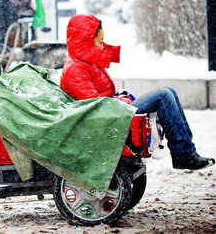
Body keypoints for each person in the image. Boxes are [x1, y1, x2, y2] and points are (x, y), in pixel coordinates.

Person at [60, 14, 215, 170]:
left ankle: (185, 151)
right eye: (98, 38)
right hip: (109, 117)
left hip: (112, 111)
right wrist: (122, 101)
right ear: (85, 40)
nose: (103, 40)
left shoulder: (85, 61)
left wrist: (121, 98)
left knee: (170, 92)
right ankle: (184, 154)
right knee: (164, 96)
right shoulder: (76, 68)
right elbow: (97, 106)